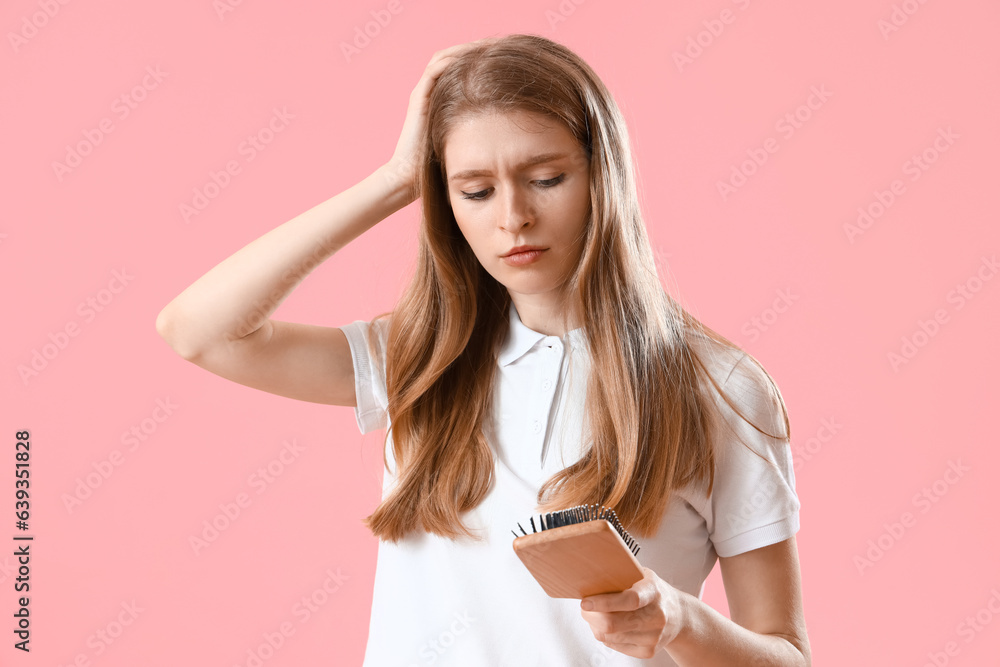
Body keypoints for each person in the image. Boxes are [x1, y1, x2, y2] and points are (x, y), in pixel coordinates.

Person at [156, 33, 811, 666]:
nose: (513, 216)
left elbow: (785, 656)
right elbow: (200, 330)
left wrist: (680, 619)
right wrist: (391, 181)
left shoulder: (718, 385)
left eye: (547, 178)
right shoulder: (419, 359)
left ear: (601, 176)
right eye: (475, 190)